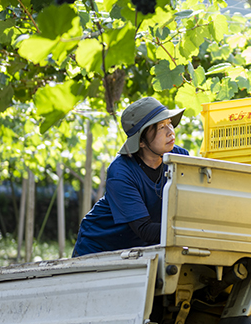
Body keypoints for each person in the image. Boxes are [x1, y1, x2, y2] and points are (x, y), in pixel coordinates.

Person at [72, 97, 188, 256]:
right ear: (141, 141)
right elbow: (144, 229)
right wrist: (190, 231)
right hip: (99, 246)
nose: (170, 131)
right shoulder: (121, 172)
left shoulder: (179, 157)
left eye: (169, 123)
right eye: (161, 127)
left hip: (140, 248)